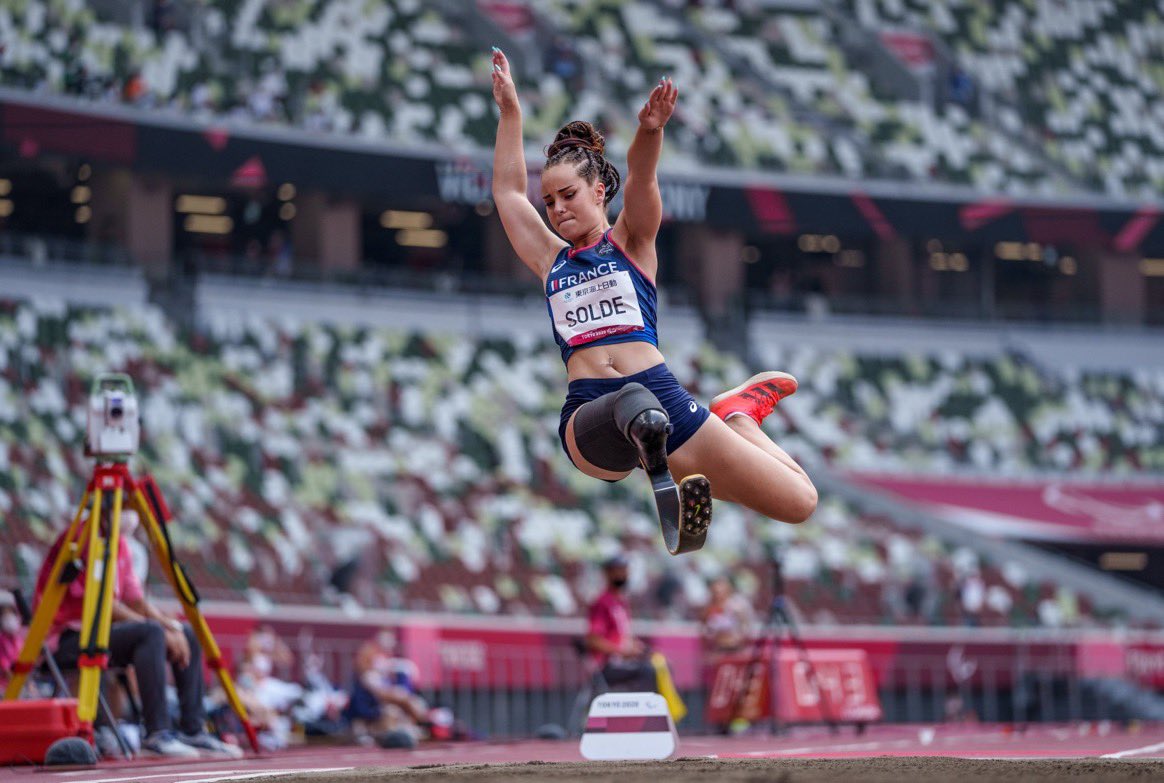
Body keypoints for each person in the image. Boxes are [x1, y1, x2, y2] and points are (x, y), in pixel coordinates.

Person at [488, 47, 817, 548]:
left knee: (800, 502)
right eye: (550, 201)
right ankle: (663, 473)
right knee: (636, 404)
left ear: (599, 191)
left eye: (568, 196)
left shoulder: (633, 243)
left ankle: (738, 417)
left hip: (663, 401)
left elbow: (643, 175)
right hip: (590, 417)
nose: (556, 210)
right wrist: (511, 111)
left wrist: (650, 129)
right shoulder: (549, 260)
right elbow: (509, 193)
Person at [33, 510, 241, 759]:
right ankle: (157, 734)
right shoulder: (82, 537)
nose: (131, 515)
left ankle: (193, 730)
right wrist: (161, 629)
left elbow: (135, 600)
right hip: (66, 639)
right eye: (124, 510)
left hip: (100, 635)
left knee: (185, 631)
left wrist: (169, 626)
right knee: (151, 632)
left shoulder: (120, 543)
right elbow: (103, 604)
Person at [584, 555, 655, 692]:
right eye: (618, 571)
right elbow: (593, 640)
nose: (622, 575)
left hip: (623, 661)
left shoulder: (622, 603)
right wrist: (622, 651)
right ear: (607, 573)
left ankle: (666, 711)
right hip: (607, 665)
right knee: (648, 671)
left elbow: (622, 636)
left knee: (660, 664)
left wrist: (637, 648)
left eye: (624, 570)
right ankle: (643, 712)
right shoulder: (602, 602)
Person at [700, 576, 755, 656]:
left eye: (720, 590)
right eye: (715, 591)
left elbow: (746, 625)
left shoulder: (737, 605)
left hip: (736, 647)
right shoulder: (708, 607)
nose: (718, 594)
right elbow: (704, 627)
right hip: (717, 647)